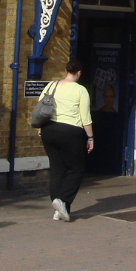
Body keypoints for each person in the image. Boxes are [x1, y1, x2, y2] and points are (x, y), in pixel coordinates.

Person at [39, 60, 94, 222]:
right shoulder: (80, 90)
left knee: (57, 169)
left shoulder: (51, 86)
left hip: (49, 130)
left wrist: (40, 129)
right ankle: (62, 200)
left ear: (65, 71)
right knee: (76, 169)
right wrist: (90, 137)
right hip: (70, 132)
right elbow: (85, 117)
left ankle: (59, 210)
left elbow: (40, 108)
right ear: (79, 73)